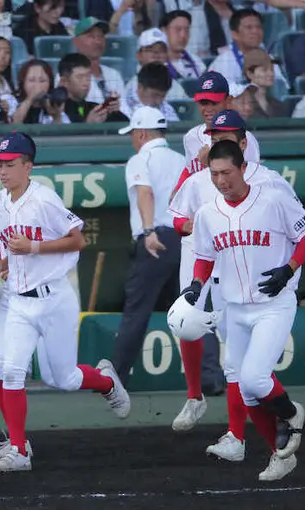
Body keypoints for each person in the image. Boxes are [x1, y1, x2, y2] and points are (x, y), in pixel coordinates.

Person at [0, 132, 131, 472]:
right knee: (11, 370)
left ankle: (106, 382)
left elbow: (78, 240)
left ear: (28, 166)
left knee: (63, 379)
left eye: (10, 164)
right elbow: (7, 247)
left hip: (54, 299)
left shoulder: (44, 200)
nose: (3, 170)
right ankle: (19, 450)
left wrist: (33, 248)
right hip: (18, 300)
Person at [169, 110, 301, 454]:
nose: (217, 142)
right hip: (227, 280)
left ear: (243, 145)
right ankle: (238, 437)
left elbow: (304, 231)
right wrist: (198, 269)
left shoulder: (270, 183)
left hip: (266, 286)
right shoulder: (202, 179)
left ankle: (271, 426)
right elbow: (177, 219)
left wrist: (288, 270)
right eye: (213, 137)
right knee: (235, 368)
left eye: (225, 138)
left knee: (252, 375)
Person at [185, 139, 305, 481]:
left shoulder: (272, 199)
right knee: (243, 387)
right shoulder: (209, 212)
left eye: (227, 172)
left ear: (242, 168)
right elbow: (204, 256)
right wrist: (197, 284)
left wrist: (289, 269)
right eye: (214, 174)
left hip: (273, 304)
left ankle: (291, 414)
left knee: (255, 378)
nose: (221, 180)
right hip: (236, 308)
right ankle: (280, 456)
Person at [111, 107, 184, 387]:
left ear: (141, 134)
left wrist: (149, 230)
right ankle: (212, 378)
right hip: (183, 239)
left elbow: (146, 192)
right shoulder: (182, 159)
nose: (132, 139)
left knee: (137, 311)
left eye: (133, 134)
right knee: (191, 310)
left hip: (154, 239)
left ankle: (117, 377)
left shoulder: (140, 159)